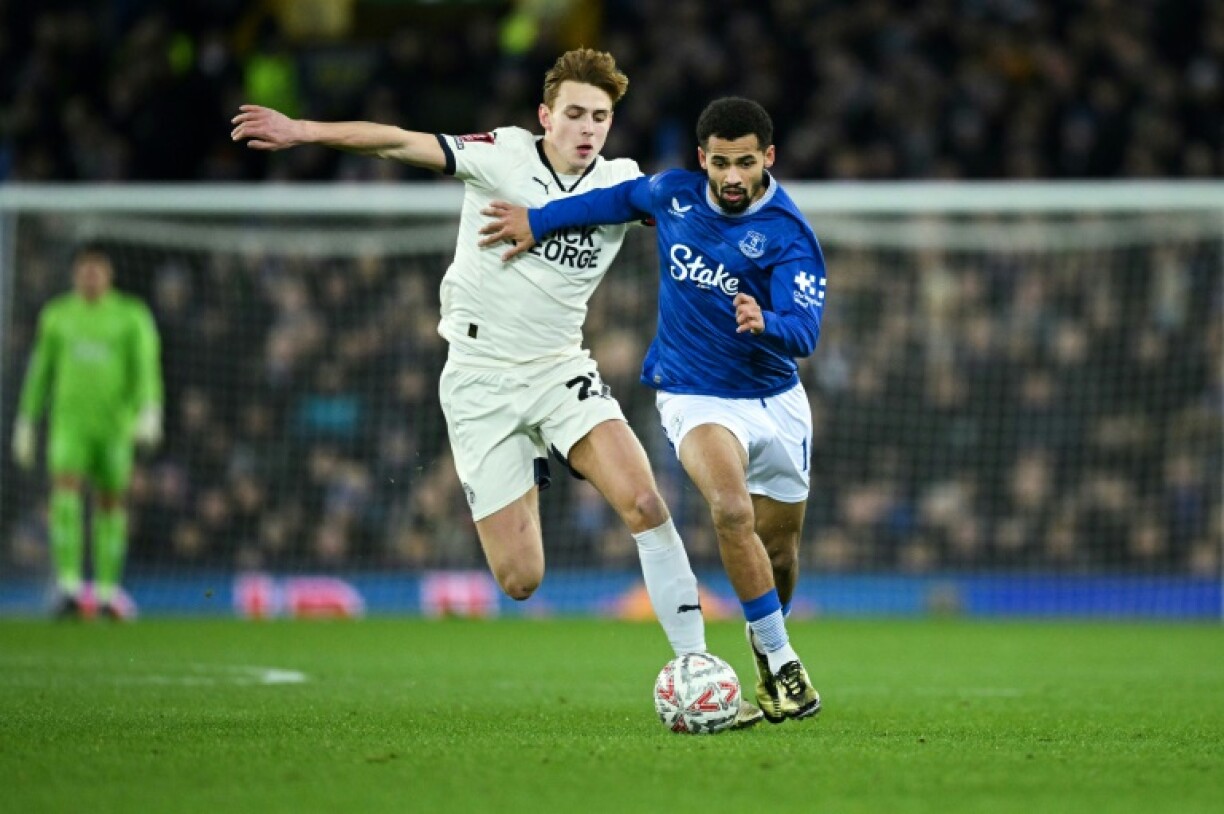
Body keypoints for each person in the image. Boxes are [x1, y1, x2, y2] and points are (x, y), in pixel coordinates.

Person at [231, 50, 762, 727]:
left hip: (559, 371)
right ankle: (529, 467)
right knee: (520, 580)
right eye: (574, 113)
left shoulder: (623, 182)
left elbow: (706, 210)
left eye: (600, 116)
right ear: (545, 116)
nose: (587, 127)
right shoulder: (502, 155)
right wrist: (305, 131)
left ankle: (697, 666)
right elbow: (398, 142)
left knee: (645, 502)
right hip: (478, 380)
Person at [478, 97, 826, 722]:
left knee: (780, 554)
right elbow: (611, 202)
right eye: (720, 163)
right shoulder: (673, 194)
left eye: (745, 163)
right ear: (703, 159)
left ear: (767, 158)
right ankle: (780, 660)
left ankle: (765, 631)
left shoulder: (789, 235)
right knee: (730, 507)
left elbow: (805, 333)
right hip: (694, 393)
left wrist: (765, 320)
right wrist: (540, 218)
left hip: (775, 402)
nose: (732, 177)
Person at [11, 244, 164, 620]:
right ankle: (69, 587)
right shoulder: (58, 316)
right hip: (69, 425)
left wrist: (150, 409)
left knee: (110, 502)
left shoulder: (131, 315)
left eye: (97, 270)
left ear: (108, 273)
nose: (90, 277)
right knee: (65, 492)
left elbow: (145, 367)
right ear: (75, 274)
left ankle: (108, 591)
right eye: (84, 270)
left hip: (115, 427)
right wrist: (27, 419)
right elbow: (40, 371)